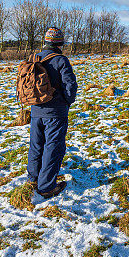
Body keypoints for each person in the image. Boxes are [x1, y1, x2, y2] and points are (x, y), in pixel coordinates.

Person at [26, 27, 78, 200]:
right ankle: (46, 187)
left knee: (36, 145)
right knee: (53, 148)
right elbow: (70, 86)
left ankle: (33, 179)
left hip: (35, 110)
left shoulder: (34, 58)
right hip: (55, 113)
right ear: (60, 43)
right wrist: (67, 102)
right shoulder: (61, 61)